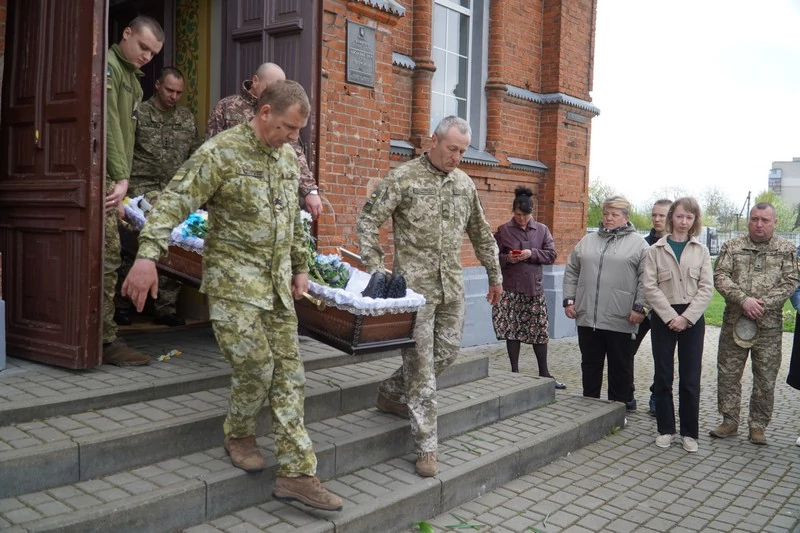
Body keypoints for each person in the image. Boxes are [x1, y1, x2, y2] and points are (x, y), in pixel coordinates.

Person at [122, 80, 342, 512]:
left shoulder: (286, 158)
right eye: (287, 128)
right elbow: (174, 201)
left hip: (276, 288)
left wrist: (300, 266)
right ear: (264, 113)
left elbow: (294, 219)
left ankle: (298, 473)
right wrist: (147, 256)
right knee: (256, 367)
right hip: (234, 286)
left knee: (290, 376)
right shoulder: (221, 152)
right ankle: (239, 433)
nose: (292, 138)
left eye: (298, 131)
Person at [356, 116, 503, 478]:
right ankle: (426, 447)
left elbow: (481, 233)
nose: (457, 157)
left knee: (447, 353)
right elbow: (368, 220)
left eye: (462, 151)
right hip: (414, 293)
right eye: (452, 149)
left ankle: (391, 391)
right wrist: (375, 269)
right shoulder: (403, 178)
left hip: (451, 287)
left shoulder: (464, 184)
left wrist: (494, 275)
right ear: (433, 141)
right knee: (421, 369)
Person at [115, 67, 201, 327]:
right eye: (169, 90)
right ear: (157, 85)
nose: (174, 96)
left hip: (172, 193)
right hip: (139, 191)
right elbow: (123, 151)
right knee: (131, 248)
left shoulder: (186, 119)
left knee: (173, 246)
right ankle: (122, 305)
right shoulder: (138, 114)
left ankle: (165, 307)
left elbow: (196, 157)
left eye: (179, 92)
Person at [103, 15, 165, 366]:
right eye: (143, 47)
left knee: (109, 258)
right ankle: (104, 340)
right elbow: (110, 126)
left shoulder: (132, 79)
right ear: (126, 33)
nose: (146, 56)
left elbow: (127, 137)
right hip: (107, 179)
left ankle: (103, 335)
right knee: (108, 259)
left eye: (152, 53)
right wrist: (120, 178)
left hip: (116, 181)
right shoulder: (109, 68)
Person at [711, 202, 798, 445]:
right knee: (728, 374)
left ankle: (758, 426)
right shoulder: (732, 246)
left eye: (765, 220)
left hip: (768, 326)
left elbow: (791, 281)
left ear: (775, 222)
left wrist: (762, 304)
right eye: (754, 219)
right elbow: (720, 276)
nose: (759, 224)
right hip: (734, 321)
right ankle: (729, 421)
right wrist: (744, 300)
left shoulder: (786, 249)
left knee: (765, 378)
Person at [562, 196, 649, 411]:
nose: (608, 218)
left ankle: (617, 412)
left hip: (621, 317)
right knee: (590, 366)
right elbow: (572, 270)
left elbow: (647, 278)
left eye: (614, 214)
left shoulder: (639, 245)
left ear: (625, 217)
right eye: (606, 213)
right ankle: (589, 410)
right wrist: (569, 300)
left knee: (620, 369)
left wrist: (641, 307)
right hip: (588, 317)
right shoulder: (587, 241)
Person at [206, 62, 322, 219]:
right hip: (236, 200)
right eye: (271, 87)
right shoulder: (226, 107)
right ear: (255, 81)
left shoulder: (282, 112)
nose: (276, 94)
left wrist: (310, 190)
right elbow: (211, 152)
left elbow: (295, 152)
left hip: (273, 197)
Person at [642, 197, 713, 453]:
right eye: (680, 216)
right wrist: (670, 316)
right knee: (663, 375)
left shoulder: (701, 251)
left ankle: (689, 433)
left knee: (690, 377)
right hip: (664, 317)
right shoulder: (655, 250)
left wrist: (686, 317)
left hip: (692, 318)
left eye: (689, 217)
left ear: (695, 221)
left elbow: (706, 288)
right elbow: (650, 287)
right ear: (672, 216)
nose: (684, 222)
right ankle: (665, 429)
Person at [492, 186, 563, 389]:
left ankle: (544, 373)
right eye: (518, 215)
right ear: (513, 212)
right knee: (512, 330)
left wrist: (532, 253)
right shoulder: (504, 230)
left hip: (534, 289)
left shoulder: (542, 230)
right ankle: (514, 372)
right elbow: (492, 257)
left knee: (539, 331)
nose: (522, 219)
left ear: (532, 213)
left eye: (526, 215)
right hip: (511, 289)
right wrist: (508, 259)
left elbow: (551, 255)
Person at [634, 199, 672, 416]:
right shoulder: (642, 244)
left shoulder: (677, 244)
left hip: (664, 310)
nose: (657, 219)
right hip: (640, 308)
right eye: (654, 215)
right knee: (626, 352)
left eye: (662, 215)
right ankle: (625, 393)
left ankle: (657, 397)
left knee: (663, 359)